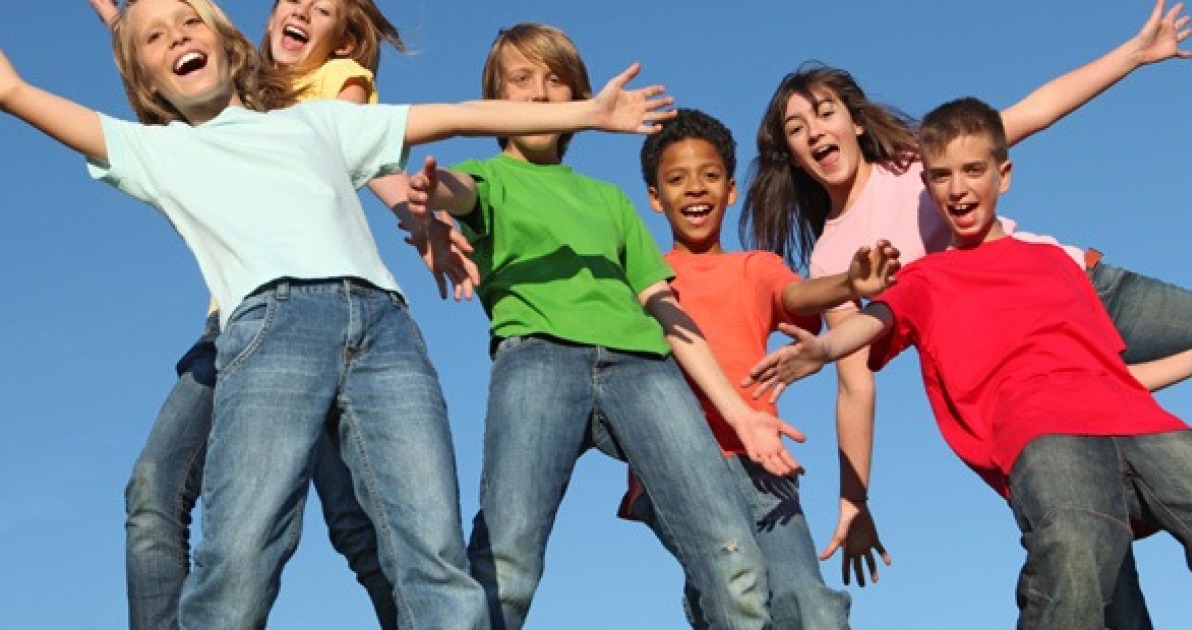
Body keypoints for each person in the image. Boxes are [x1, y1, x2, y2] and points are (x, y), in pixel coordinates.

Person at [0, 0, 675, 626]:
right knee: (240, 557)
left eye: (190, 22)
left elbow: (457, 114)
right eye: (155, 37)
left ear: (229, 44)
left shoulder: (317, 120)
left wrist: (587, 112)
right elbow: (16, 92)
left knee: (434, 558)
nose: (177, 36)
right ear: (146, 82)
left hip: (385, 332)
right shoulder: (155, 151)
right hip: (272, 332)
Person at [739, 2, 1192, 620]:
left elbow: (1034, 112)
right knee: (1088, 544)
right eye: (797, 128)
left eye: (825, 112)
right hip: (1024, 369)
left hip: (1082, 292)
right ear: (791, 154)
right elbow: (855, 382)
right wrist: (855, 499)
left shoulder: (919, 161)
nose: (815, 131)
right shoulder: (832, 256)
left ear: (854, 121)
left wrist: (1134, 54)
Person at [403, 23, 805, 630]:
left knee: (733, 559)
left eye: (555, 79)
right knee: (508, 563)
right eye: (521, 79)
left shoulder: (609, 200)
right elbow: (456, 191)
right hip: (538, 359)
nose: (539, 93)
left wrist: (741, 413)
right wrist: (432, 190)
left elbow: (667, 311)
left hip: (643, 370)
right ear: (496, 98)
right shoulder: (488, 178)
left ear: (577, 98)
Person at [84, 1, 471, 627]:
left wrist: (415, 213)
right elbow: (158, 46)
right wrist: (117, 15)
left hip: (322, 311)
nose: (302, 13)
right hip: (239, 323)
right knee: (154, 489)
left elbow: (362, 153)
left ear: (341, 39)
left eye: (322, 11)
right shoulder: (227, 72)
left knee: (359, 524)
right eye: (294, 1)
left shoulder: (333, 83)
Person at [621, 107, 901, 628]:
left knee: (810, 605)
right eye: (677, 180)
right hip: (679, 464)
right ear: (655, 198)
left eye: (709, 176)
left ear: (730, 190)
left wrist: (849, 284)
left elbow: (796, 295)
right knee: (736, 583)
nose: (695, 189)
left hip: (762, 464)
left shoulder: (753, 267)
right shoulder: (642, 279)